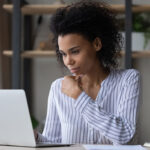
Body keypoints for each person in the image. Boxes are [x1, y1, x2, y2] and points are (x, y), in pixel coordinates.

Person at [35, 0, 140, 145]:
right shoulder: (57, 88)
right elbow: (53, 142)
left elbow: (124, 134)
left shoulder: (127, 80)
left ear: (97, 44)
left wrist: (78, 96)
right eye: (63, 54)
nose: (68, 61)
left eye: (75, 51)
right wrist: (35, 138)